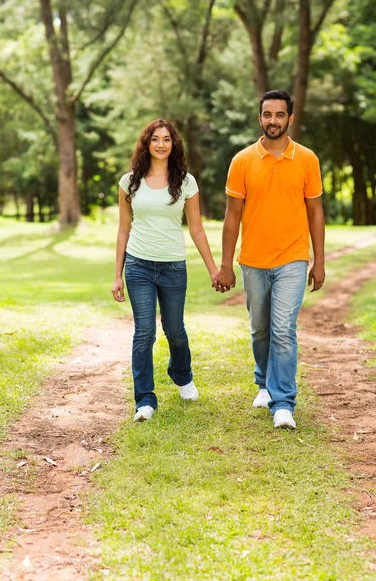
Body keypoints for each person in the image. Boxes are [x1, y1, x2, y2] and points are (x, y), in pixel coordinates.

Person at [213, 90, 325, 430]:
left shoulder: (307, 159)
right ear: (260, 117)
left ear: (290, 118)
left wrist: (318, 261)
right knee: (260, 329)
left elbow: (315, 213)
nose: (272, 120)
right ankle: (263, 382)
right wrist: (226, 263)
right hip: (253, 261)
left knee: (282, 329)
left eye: (279, 115)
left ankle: (284, 402)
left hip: (292, 257)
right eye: (267, 114)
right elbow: (232, 217)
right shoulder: (242, 161)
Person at [112, 119, 218, 421]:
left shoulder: (186, 182)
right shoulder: (129, 181)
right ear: (146, 143)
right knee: (144, 333)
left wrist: (213, 269)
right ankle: (144, 400)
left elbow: (196, 228)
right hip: (138, 265)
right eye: (155, 139)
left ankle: (181, 373)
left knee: (175, 331)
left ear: (174, 144)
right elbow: (123, 229)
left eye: (167, 139)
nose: (161, 144)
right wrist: (117, 274)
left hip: (173, 266)